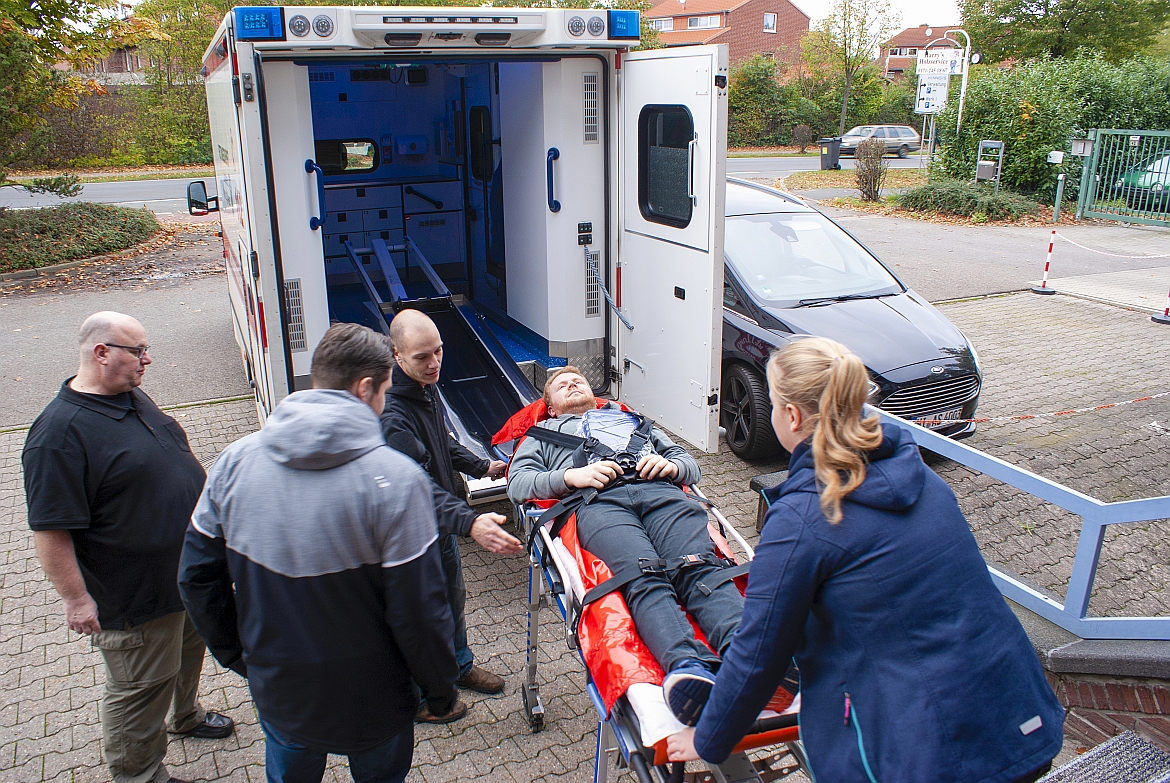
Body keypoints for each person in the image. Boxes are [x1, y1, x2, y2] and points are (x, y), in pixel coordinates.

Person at [664, 337, 1065, 783]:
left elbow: (759, 652)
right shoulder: (920, 476)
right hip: (1016, 709)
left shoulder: (804, 518)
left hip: (926, 748)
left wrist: (709, 739)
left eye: (775, 404)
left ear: (792, 416)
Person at [178, 323, 459, 783]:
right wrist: (440, 690)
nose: (386, 401)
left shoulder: (233, 462)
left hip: (282, 689)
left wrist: (241, 657)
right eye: (386, 389)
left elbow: (195, 578)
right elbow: (420, 612)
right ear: (365, 388)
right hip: (378, 697)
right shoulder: (398, 479)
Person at [22, 311, 234, 783]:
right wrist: (76, 600)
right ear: (102, 353)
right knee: (140, 686)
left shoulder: (129, 396)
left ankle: (186, 716)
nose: (148, 359)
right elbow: (50, 530)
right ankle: (137, 772)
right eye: (138, 351)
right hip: (133, 598)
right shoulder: (57, 436)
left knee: (186, 654)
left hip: (184, 576)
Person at [507, 366, 744, 693]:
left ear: (593, 393)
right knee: (642, 574)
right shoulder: (541, 435)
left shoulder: (633, 420)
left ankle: (746, 652)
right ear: (551, 407)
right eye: (562, 385)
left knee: (697, 566)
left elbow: (689, 464)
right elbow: (517, 484)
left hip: (661, 493)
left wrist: (672, 466)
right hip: (597, 504)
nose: (573, 383)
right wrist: (569, 478)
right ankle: (687, 666)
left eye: (579, 380)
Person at [380, 308, 520, 721]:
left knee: (452, 598)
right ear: (397, 354)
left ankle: (458, 666)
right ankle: (424, 696)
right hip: (410, 534)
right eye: (423, 356)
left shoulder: (425, 387)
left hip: (439, 526)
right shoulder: (392, 414)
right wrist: (469, 520)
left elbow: (441, 442)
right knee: (421, 615)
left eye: (438, 351)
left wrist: (482, 466)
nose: (435, 362)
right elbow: (415, 486)